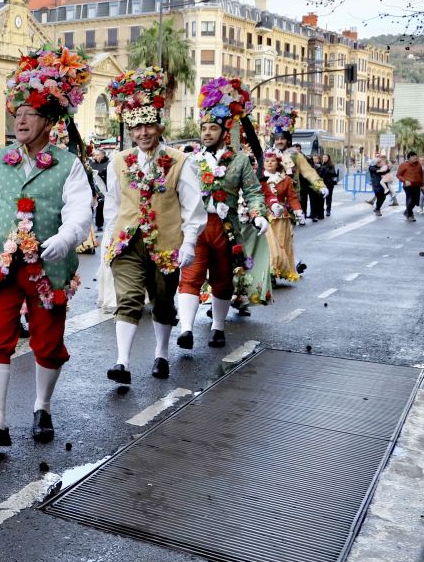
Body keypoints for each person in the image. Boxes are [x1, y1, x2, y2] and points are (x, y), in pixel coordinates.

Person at [0, 45, 92, 446]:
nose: (21, 120)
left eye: (30, 114)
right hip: (2, 265)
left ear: (49, 121)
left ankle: (42, 407)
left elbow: (81, 209)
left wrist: (66, 237)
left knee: (47, 342)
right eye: (18, 113)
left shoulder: (68, 163)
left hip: (48, 267)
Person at [101, 67, 204, 385]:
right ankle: (122, 362)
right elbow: (113, 205)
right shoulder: (118, 162)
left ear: (159, 127)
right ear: (130, 130)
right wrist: (109, 238)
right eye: (137, 127)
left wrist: (188, 243)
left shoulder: (179, 162)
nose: (143, 132)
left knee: (162, 301)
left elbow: (193, 207)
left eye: (148, 125)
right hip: (128, 243)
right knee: (129, 298)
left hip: (166, 245)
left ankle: (161, 354)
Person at [175, 78, 270, 351]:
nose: (206, 133)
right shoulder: (190, 159)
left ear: (224, 132)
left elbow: (252, 191)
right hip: (196, 226)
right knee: (190, 275)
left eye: (212, 128)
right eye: (203, 128)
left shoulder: (239, 160)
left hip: (227, 229)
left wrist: (257, 214)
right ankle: (186, 330)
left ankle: (218, 327)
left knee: (222, 278)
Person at [267, 104, 325, 221]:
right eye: (277, 139)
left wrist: (320, 186)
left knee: (287, 234)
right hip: (270, 199)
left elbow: (308, 171)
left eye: (282, 139)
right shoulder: (268, 154)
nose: (279, 141)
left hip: (290, 200)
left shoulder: (295, 155)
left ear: (287, 140)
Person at [262, 151, 304, 280]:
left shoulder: (285, 179)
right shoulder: (257, 177)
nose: (269, 163)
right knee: (268, 245)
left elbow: (292, 197)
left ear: (277, 163)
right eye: (267, 160)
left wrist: (298, 211)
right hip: (262, 215)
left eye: (273, 160)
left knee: (280, 245)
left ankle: (276, 272)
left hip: (280, 218)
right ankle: (266, 270)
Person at [399, 152, 424, 222]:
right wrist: (405, 181)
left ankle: (407, 211)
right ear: (409, 157)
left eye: (416, 156)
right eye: (414, 156)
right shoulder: (403, 165)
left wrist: (422, 184)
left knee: (415, 201)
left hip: (417, 185)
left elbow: (421, 175)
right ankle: (410, 214)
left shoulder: (418, 164)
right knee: (410, 200)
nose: (416, 158)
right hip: (408, 186)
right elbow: (398, 175)